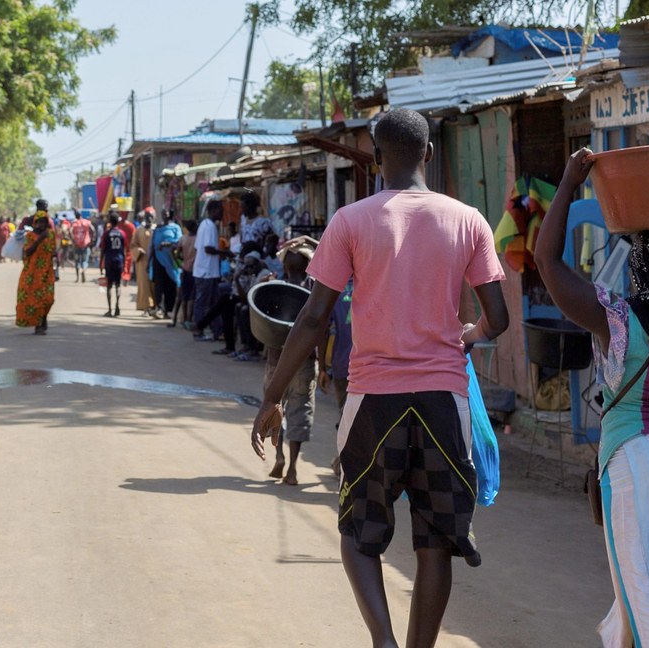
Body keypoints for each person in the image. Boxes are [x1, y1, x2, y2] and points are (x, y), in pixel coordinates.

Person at [251, 108, 509, 648]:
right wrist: (471, 333)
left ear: (374, 157)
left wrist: (271, 396)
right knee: (436, 541)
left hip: (373, 400)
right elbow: (499, 318)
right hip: (444, 399)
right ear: (429, 154)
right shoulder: (468, 220)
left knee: (358, 531)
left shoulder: (350, 221)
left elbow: (312, 318)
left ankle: (383, 642)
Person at [536, 148, 649, 647]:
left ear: (639, 265)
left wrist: (569, 182)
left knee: (647, 596)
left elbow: (547, 261)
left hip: (634, 463)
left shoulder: (619, 318)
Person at [262, 242, 319, 485]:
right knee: (300, 411)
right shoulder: (315, 292)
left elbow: (260, 321)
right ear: (308, 266)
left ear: (285, 267)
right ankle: (293, 468)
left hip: (277, 361)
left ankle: (279, 456)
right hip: (304, 362)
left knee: (275, 407)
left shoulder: (274, 288)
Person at [320, 282, 354, 475]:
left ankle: (343, 462)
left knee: (346, 416)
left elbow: (322, 328)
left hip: (343, 365)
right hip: (374, 366)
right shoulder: (379, 284)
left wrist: (322, 368)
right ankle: (345, 462)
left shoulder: (336, 291)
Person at [192, 200, 232, 340]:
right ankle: (199, 330)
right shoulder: (209, 227)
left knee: (214, 303)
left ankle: (217, 331)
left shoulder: (204, 225)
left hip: (206, 270)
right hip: (206, 272)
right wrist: (225, 253)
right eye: (220, 210)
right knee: (204, 303)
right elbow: (208, 249)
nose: (222, 213)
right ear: (213, 210)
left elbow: (198, 248)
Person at [15, 200, 56, 335]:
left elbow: (54, 252)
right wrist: (39, 240)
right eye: (39, 222)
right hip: (32, 273)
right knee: (35, 300)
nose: (42, 225)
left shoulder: (50, 234)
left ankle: (43, 319)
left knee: (48, 299)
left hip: (47, 272)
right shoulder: (30, 236)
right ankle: (39, 324)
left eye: (44, 222)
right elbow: (27, 252)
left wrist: (56, 269)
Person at [151, 209, 182, 320]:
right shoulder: (158, 228)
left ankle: (169, 309)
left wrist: (165, 244)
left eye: (166, 213)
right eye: (163, 213)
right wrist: (149, 261)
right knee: (159, 285)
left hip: (170, 261)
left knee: (170, 285)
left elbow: (179, 241)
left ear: (170, 215)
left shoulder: (175, 228)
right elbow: (152, 245)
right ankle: (159, 308)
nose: (165, 215)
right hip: (158, 260)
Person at [174, 219, 198, 329]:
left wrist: (179, 262)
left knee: (184, 296)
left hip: (184, 268)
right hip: (194, 270)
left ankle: (184, 319)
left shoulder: (183, 239)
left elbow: (175, 252)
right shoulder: (198, 239)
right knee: (192, 296)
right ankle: (189, 319)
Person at [100, 213, 127, 317]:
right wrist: (124, 264)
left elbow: (103, 250)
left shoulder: (106, 234)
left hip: (109, 261)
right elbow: (124, 250)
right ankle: (117, 307)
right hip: (119, 261)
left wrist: (101, 264)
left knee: (109, 285)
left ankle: (110, 309)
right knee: (118, 285)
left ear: (110, 222)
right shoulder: (122, 233)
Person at [132, 210, 155, 315]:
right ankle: (146, 307)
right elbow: (133, 245)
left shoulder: (156, 230)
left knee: (154, 284)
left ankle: (155, 306)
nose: (149, 218)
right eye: (147, 216)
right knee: (144, 285)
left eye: (151, 216)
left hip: (154, 261)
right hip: (142, 261)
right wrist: (138, 250)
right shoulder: (139, 230)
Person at [70, 210, 94, 283]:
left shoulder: (74, 223)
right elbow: (93, 230)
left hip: (77, 245)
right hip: (85, 244)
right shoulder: (86, 222)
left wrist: (73, 240)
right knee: (85, 260)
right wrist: (92, 240)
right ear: (81, 215)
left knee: (77, 261)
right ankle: (83, 270)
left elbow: (70, 231)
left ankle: (77, 278)